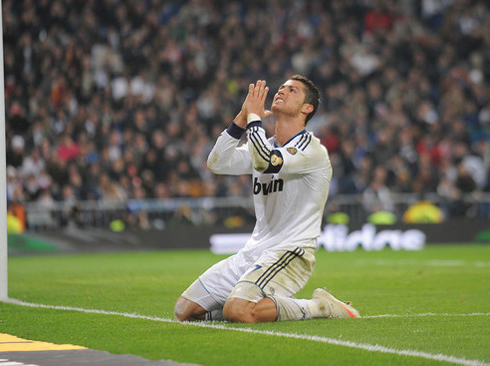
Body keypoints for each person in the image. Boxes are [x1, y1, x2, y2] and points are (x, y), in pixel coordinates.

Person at [174, 75, 360, 323]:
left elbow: (264, 160)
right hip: (253, 252)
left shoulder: (311, 150)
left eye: (292, 90)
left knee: (238, 311)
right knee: (184, 311)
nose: (282, 91)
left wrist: (253, 118)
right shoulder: (267, 144)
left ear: (308, 108)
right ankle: (250, 304)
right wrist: (242, 118)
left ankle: (320, 307)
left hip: (291, 252)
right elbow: (216, 163)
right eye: (281, 87)